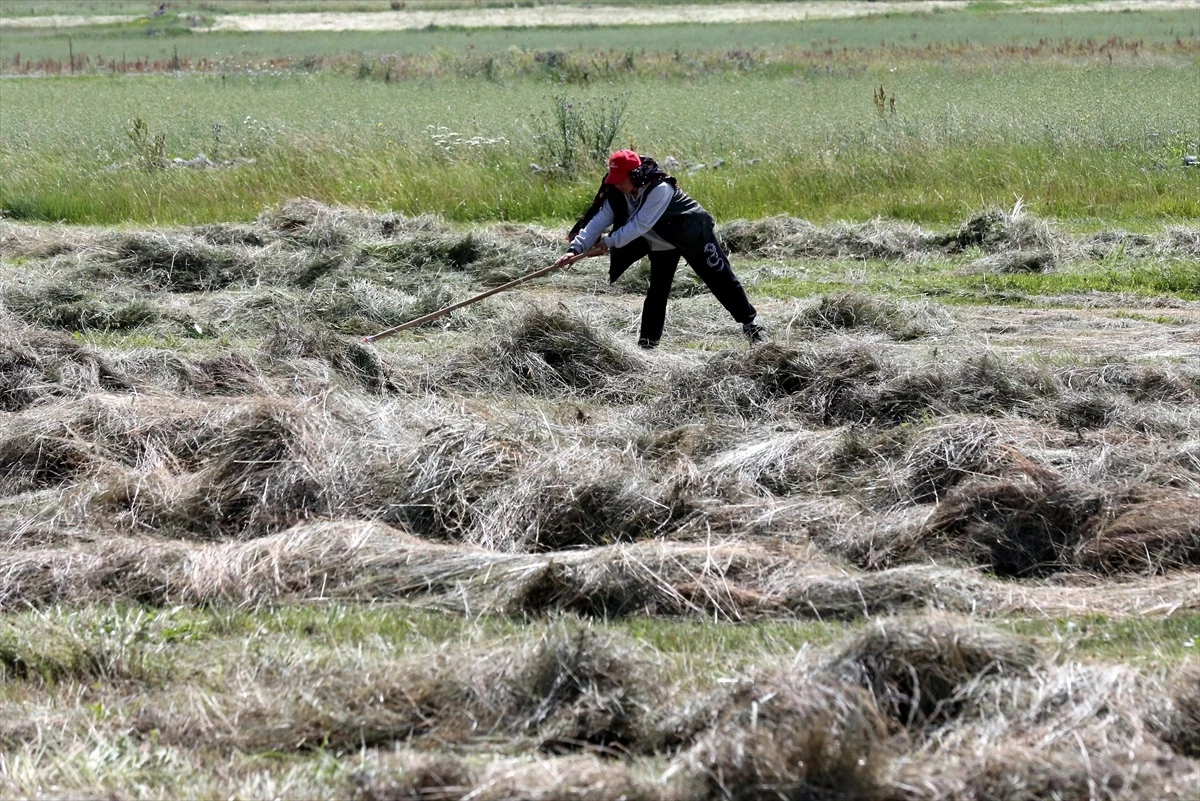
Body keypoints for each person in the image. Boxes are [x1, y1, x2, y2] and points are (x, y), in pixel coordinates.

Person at [554, 149, 765, 349]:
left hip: (692, 232)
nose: (617, 184)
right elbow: (598, 222)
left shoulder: (660, 188)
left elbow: (640, 224)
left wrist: (608, 242)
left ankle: (750, 324)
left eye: (621, 179)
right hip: (661, 241)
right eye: (614, 179)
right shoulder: (617, 194)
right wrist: (575, 249)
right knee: (657, 291)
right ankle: (648, 343)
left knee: (719, 277)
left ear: (635, 175)